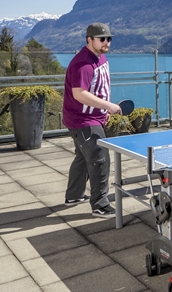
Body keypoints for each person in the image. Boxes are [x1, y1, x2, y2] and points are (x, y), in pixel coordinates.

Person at [63, 23, 122, 218]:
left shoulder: (100, 57)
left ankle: (74, 195)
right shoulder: (83, 64)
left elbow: (99, 86)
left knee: (82, 157)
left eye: (108, 39)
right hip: (84, 120)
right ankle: (100, 204)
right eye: (102, 39)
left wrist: (103, 109)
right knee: (99, 158)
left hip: (92, 117)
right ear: (89, 39)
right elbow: (79, 94)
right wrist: (108, 106)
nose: (106, 42)